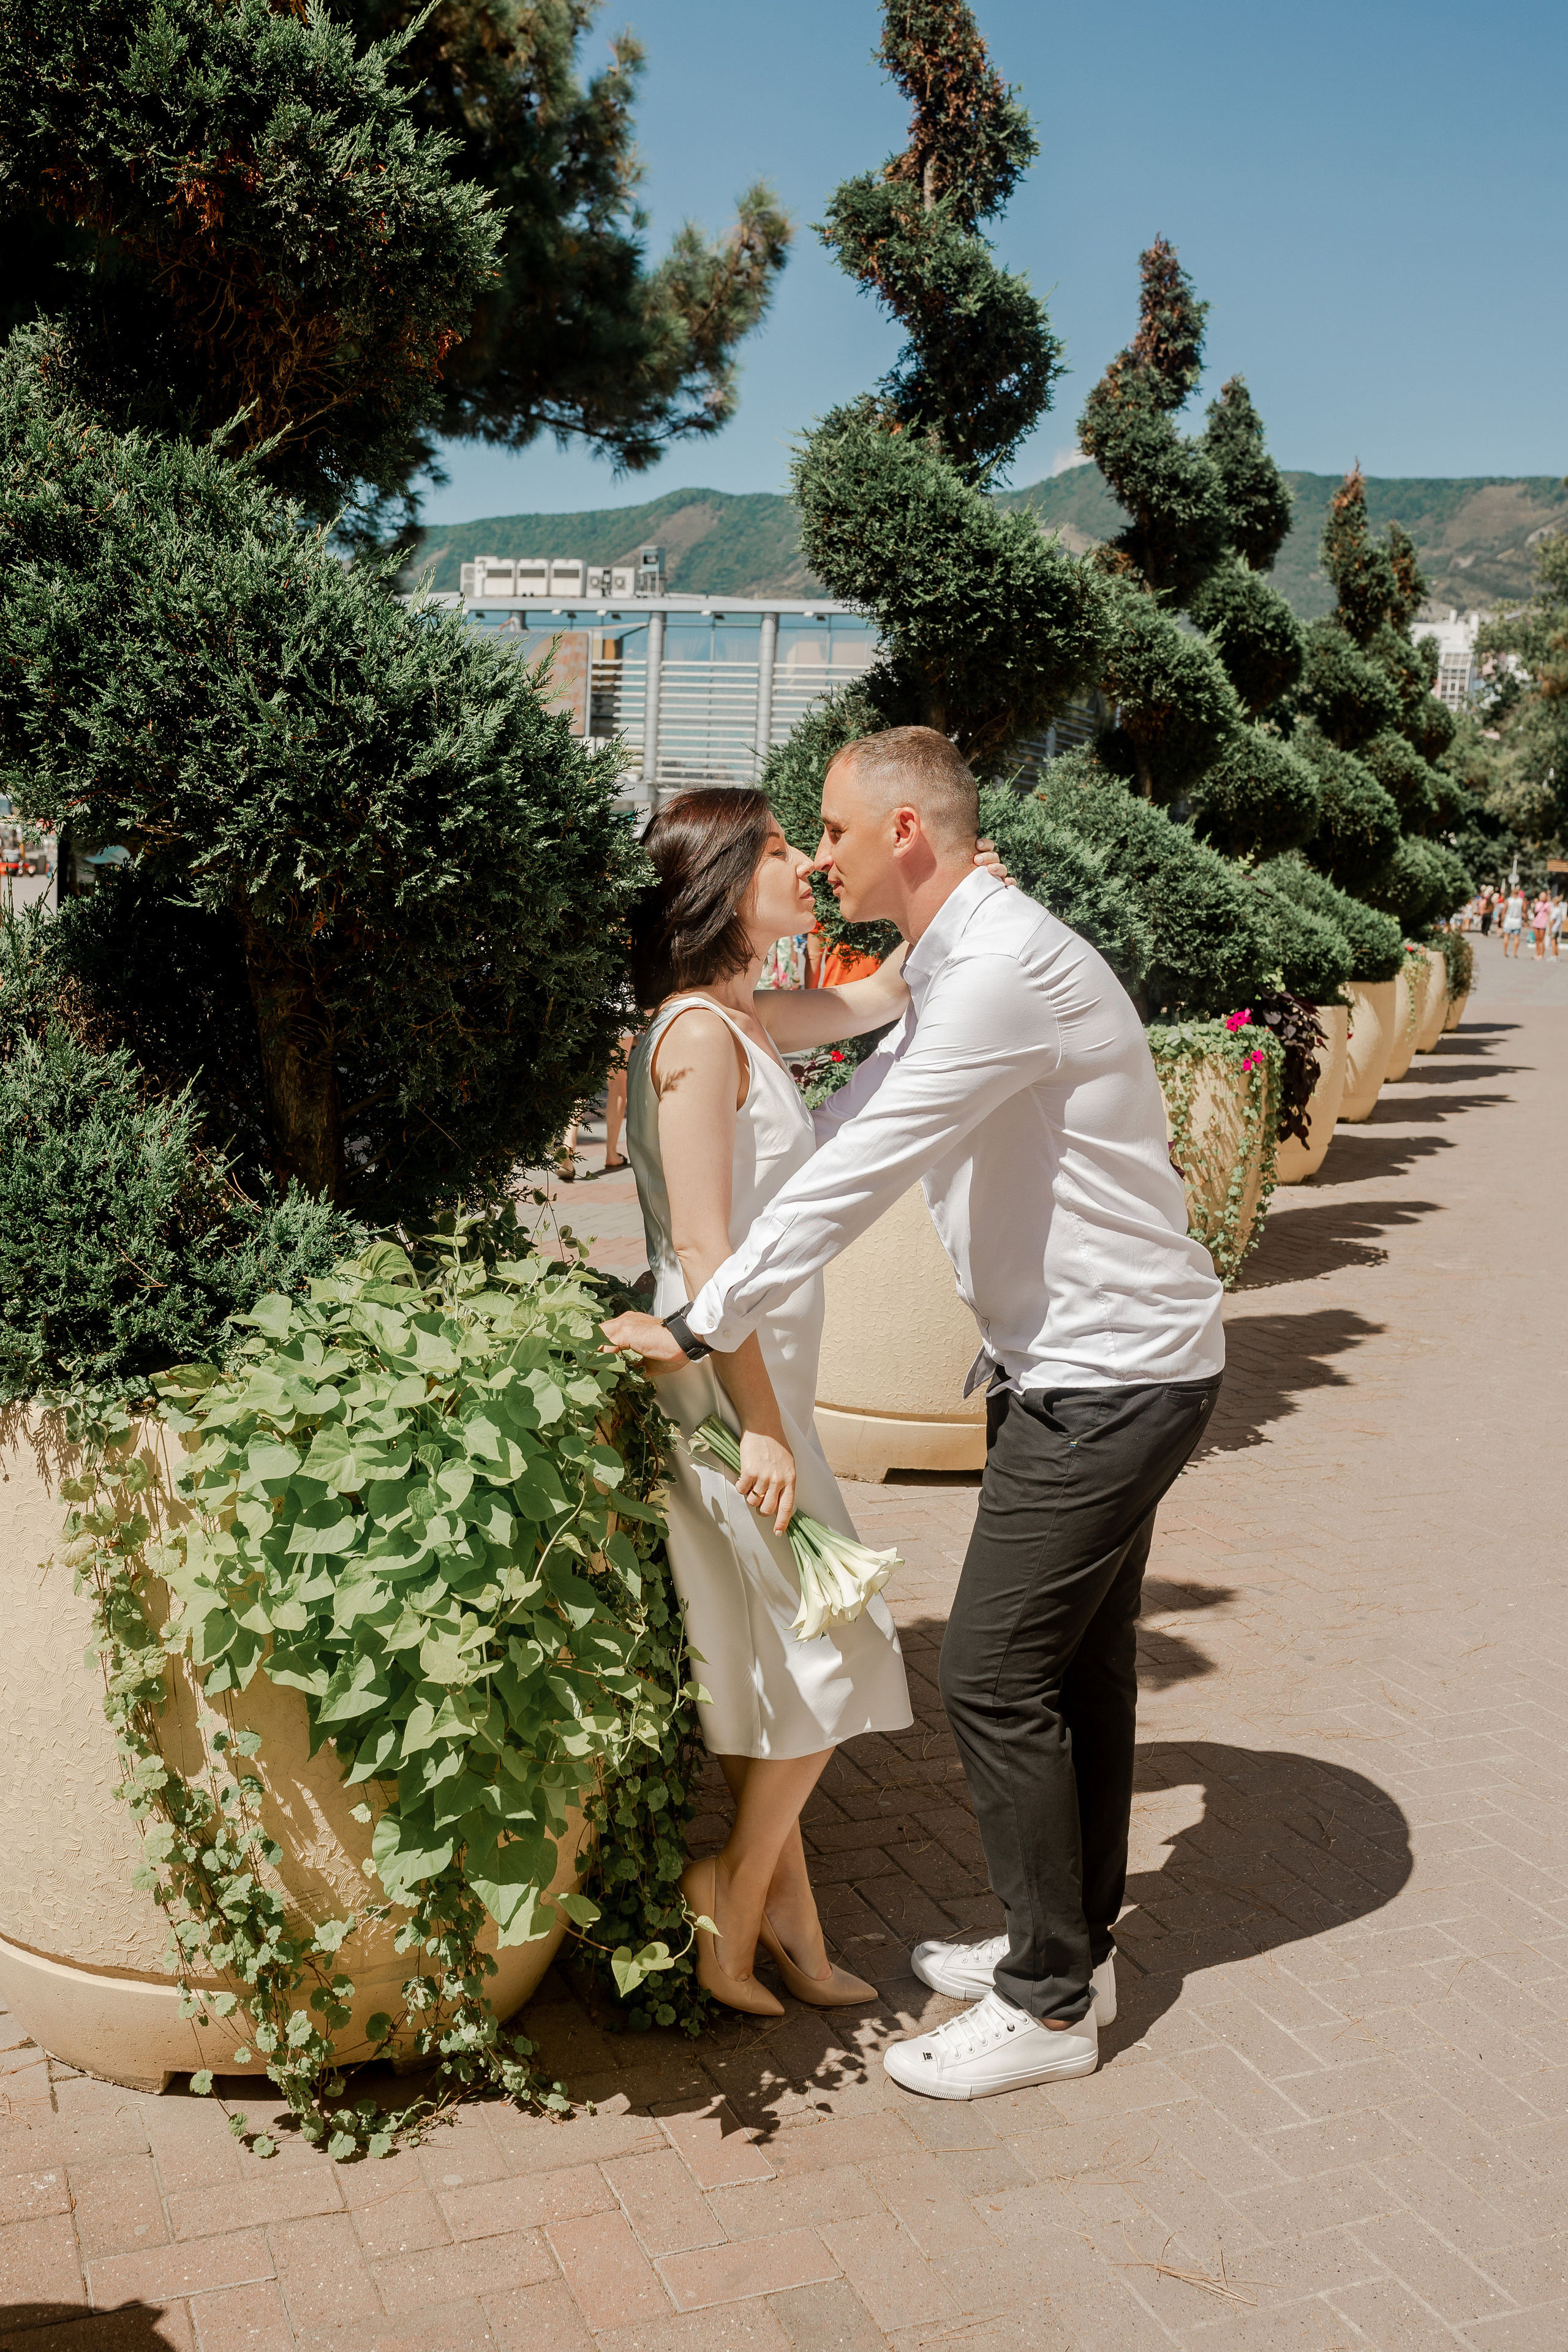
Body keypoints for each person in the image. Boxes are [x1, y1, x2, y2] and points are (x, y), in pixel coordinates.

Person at [605, 729, 1224, 2101]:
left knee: (991, 1677)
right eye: (790, 842)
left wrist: (706, 1320)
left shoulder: (995, 968)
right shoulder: (958, 960)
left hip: (1108, 1373)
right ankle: (1065, 1946)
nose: (815, 859)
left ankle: (1048, 2005)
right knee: (1076, 1673)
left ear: (900, 833)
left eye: (825, 830)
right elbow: (857, 1097)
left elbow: (864, 1157)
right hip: (1068, 1367)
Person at [606, 787, 1014, 2019]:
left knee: (786, 1669)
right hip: (733, 1393)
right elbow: (706, 1255)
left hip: (766, 1384)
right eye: (783, 852)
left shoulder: (745, 1018)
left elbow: (886, 997)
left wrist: (951, 893)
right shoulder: (692, 1036)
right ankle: (729, 1900)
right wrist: (767, 1429)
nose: (804, 868)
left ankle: (785, 1915)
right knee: (828, 1658)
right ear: (727, 884)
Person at [1502, 886, 1525, 957]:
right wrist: (1526, 921)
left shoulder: (1508, 900)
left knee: (1506, 936)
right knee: (1516, 937)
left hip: (1509, 920)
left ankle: (1505, 952)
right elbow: (1524, 911)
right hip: (1517, 920)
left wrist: (1502, 920)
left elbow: (1504, 911)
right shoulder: (1521, 901)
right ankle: (1515, 953)